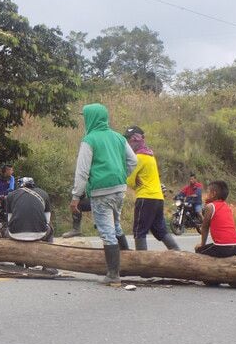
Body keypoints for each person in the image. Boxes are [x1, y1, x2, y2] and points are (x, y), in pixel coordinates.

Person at [70, 103, 137, 285]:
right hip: (119, 189)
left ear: (90, 118)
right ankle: (128, 263)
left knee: (107, 231)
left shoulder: (90, 140)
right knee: (115, 225)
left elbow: (82, 171)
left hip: (101, 192)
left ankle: (113, 275)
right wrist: (122, 175)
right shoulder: (118, 137)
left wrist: (76, 196)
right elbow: (133, 160)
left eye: (85, 117)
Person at [124, 125, 180, 251]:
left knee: (139, 231)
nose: (128, 143)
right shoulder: (149, 155)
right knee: (160, 230)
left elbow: (130, 181)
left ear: (136, 140)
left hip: (145, 198)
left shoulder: (138, 157)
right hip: (158, 198)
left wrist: (130, 180)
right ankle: (178, 253)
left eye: (129, 140)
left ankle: (141, 264)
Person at [194, 180, 236, 258]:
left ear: (213, 194)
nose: (206, 194)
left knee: (198, 250)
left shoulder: (210, 206)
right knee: (212, 247)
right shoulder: (227, 206)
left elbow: (205, 227)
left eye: (208, 192)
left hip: (222, 248)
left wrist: (202, 244)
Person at [5, 177, 53, 242]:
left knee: (6, 230)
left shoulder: (11, 195)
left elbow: (9, 219)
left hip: (15, 235)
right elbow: (47, 218)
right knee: (50, 227)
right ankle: (49, 247)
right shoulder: (44, 193)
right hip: (40, 234)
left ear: (20, 184)